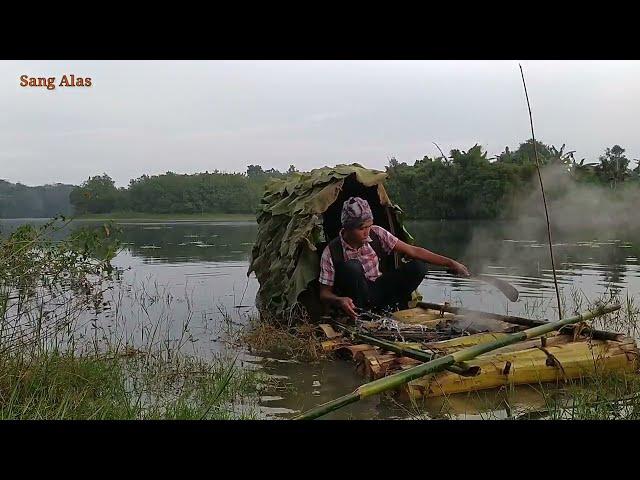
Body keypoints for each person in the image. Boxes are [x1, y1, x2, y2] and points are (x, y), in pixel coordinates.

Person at [319, 196, 470, 319]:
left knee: (418, 266)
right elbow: (324, 293)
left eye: (368, 226)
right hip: (357, 297)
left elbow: (414, 251)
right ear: (347, 228)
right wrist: (339, 300)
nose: (366, 232)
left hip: (379, 288)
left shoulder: (377, 233)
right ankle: (364, 315)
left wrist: (450, 263)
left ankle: (393, 306)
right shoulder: (331, 252)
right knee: (352, 267)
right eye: (361, 228)